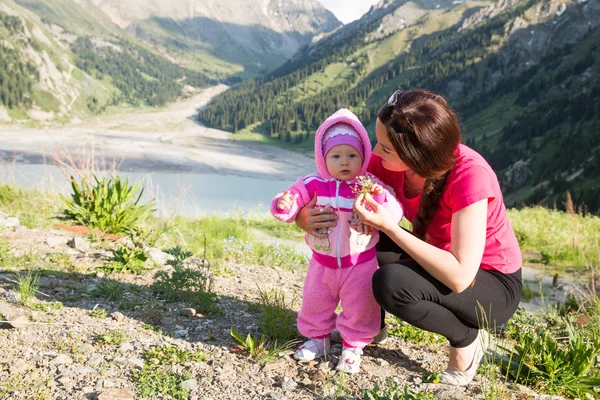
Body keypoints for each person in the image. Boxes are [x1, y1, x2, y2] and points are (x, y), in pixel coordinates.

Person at [295, 89, 522, 386]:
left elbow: (460, 276)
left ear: (417, 153)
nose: (375, 153)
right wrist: (304, 217)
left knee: (392, 284)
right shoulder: (387, 162)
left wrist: (390, 227)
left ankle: (466, 338)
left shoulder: (470, 175)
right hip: (436, 257)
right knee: (362, 239)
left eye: (386, 148)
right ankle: (367, 326)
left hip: (490, 284)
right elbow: (331, 186)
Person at [270, 108, 403, 374]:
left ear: (363, 156)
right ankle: (317, 340)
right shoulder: (314, 184)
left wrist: (382, 203)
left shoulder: (368, 185)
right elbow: (292, 198)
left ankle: (353, 348)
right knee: (315, 301)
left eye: (352, 155)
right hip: (322, 262)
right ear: (323, 158)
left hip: (360, 263)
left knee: (361, 307)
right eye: (336, 156)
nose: (345, 162)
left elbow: (393, 209)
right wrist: (284, 204)